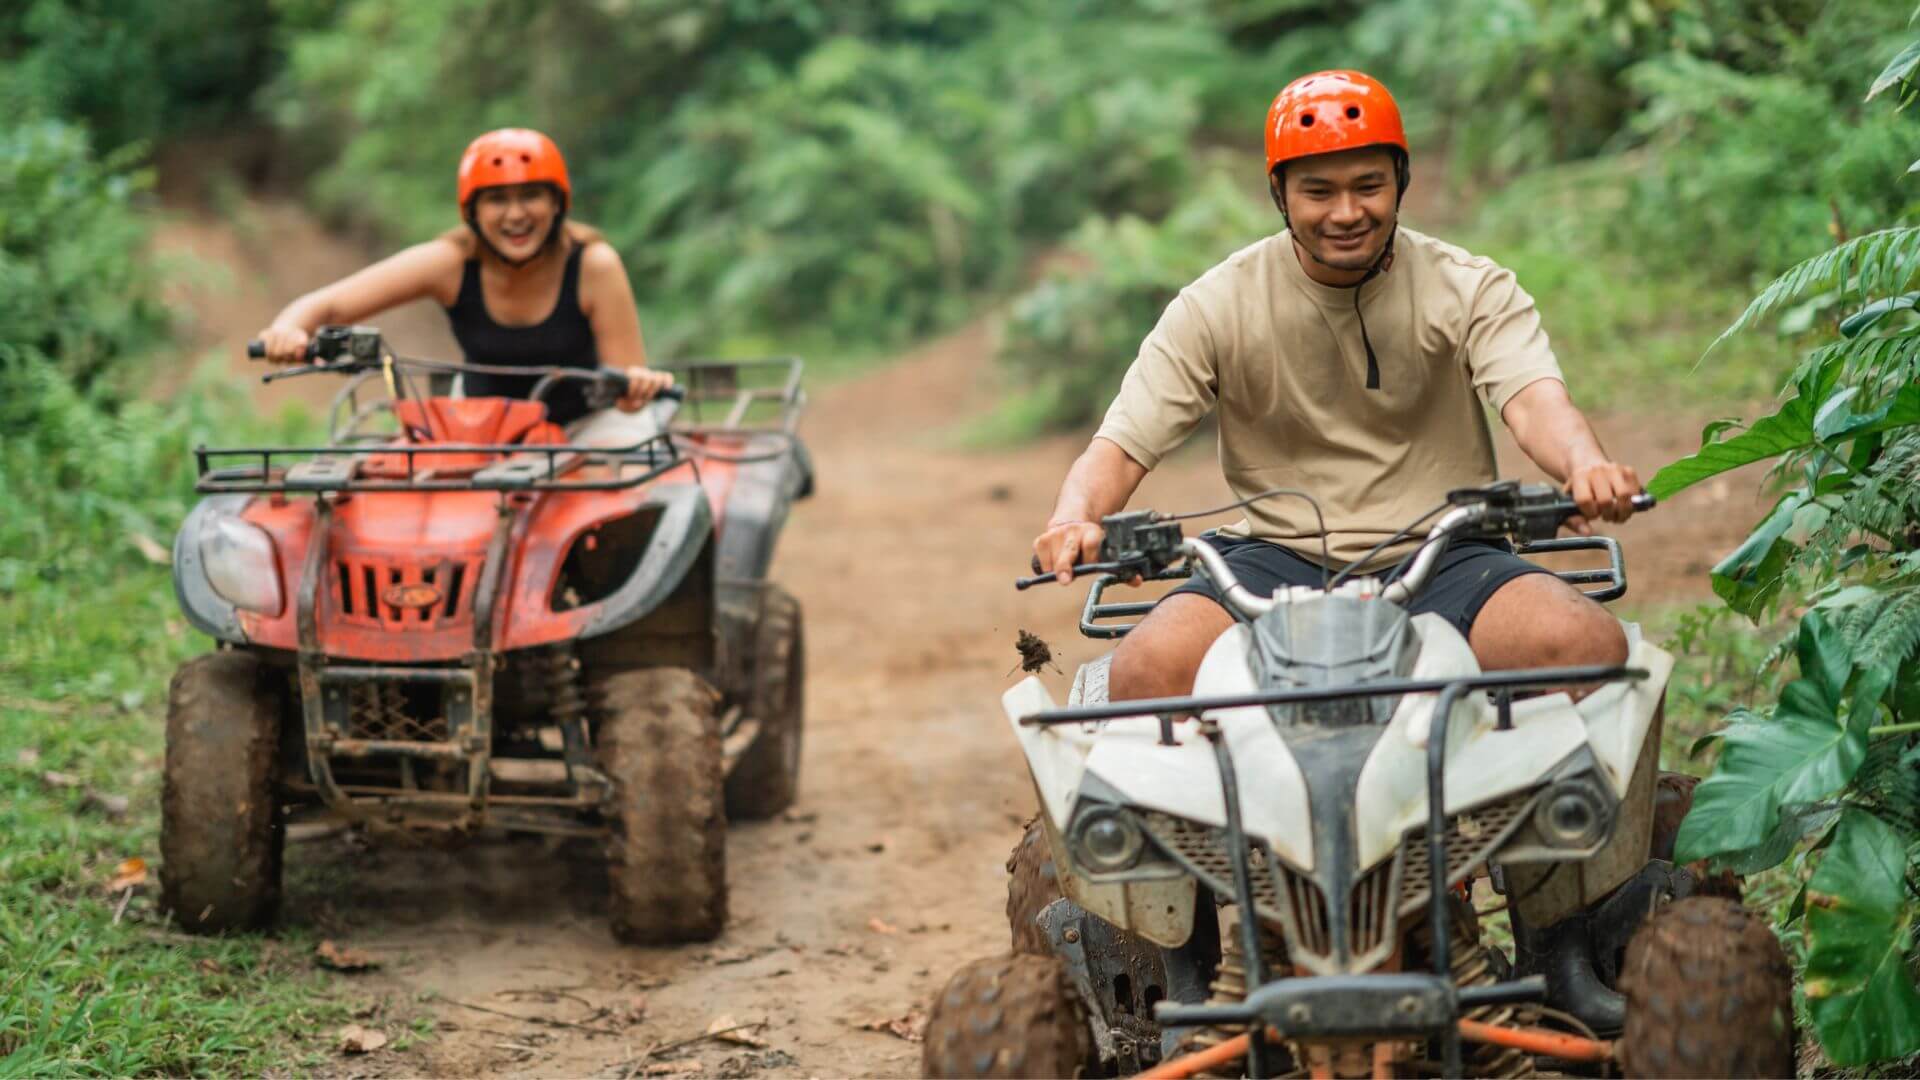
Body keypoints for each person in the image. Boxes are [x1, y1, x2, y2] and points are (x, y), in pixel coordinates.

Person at [1030, 70, 1645, 702]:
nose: (1346, 213)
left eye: (1369, 186)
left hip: (1446, 552)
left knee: (1584, 647)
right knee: (1147, 672)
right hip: (1272, 558)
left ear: (1400, 182)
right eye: (1318, 191)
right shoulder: (1216, 304)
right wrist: (1074, 518)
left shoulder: (1469, 287)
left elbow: (1536, 401)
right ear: (1280, 193)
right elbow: (1121, 445)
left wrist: (1586, 464)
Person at [254, 127, 674, 424]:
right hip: (480, 427)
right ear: (472, 211)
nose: (515, 214)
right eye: (497, 200)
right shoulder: (451, 263)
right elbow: (328, 304)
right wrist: (288, 328)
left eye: (530, 195)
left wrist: (636, 389)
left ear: (557, 204)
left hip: (587, 428)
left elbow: (627, 393)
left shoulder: (592, 264)